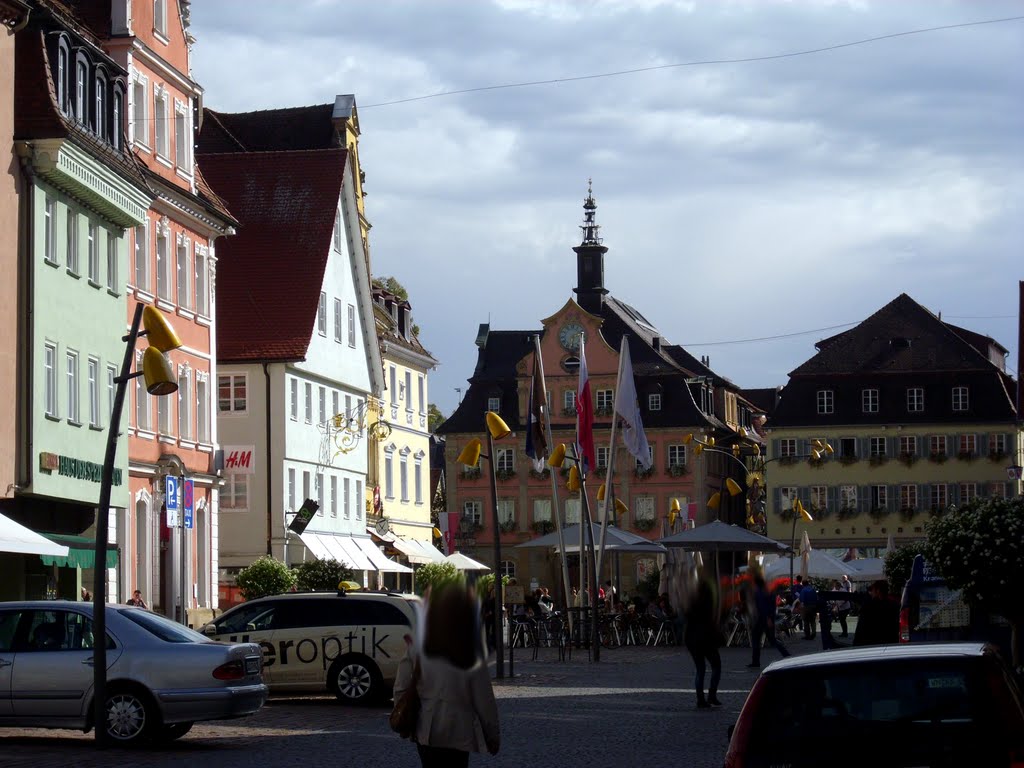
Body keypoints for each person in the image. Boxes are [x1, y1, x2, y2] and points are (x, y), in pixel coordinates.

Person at [393, 585, 500, 767]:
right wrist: (492, 734)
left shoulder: (418, 643)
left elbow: (401, 687)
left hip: (426, 727)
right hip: (459, 730)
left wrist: (403, 714)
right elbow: (483, 698)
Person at [683, 572, 724, 709]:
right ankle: (711, 695)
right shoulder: (709, 602)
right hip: (706, 639)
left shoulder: (690, 600)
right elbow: (712, 621)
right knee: (716, 666)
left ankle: (700, 699)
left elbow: (686, 616)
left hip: (691, 639)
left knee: (700, 669)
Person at [748, 575, 790, 667]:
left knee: (757, 639)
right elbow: (772, 606)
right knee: (772, 639)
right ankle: (787, 655)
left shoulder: (759, 592)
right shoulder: (769, 591)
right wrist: (770, 618)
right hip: (767, 618)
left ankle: (756, 661)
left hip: (761, 619)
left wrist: (767, 618)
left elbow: (762, 607)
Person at [853, 580, 900, 646]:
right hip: (890, 643)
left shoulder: (868, 607)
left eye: (872, 590)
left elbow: (860, 629)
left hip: (871, 644)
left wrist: (856, 645)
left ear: (877, 591)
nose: (871, 593)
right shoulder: (895, 606)